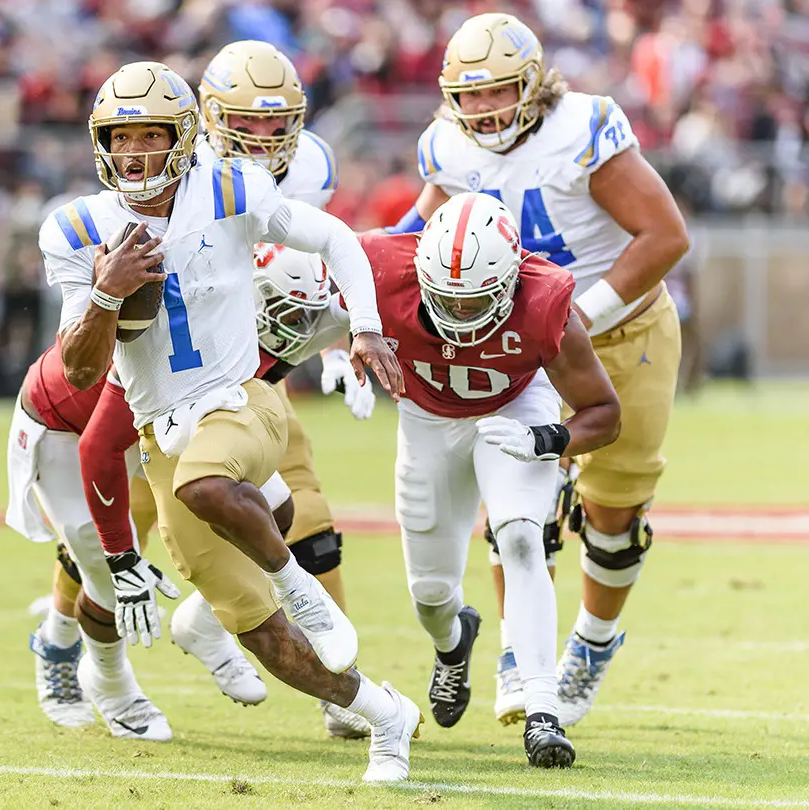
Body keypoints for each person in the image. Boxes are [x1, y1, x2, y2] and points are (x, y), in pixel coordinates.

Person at [42, 60, 419, 782]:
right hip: (162, 432)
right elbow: (84, 370)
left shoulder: (232, 186)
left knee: (206, 485)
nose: (134, 154)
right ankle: (383, 713)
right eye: (120, 139)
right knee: (264, 639)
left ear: (185, 138)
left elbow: (338, 239)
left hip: (243, 400)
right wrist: (105, 296)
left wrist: (363, 329)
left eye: (151, 136)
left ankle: (306, 593)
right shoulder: (77, 227)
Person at [390, 12, 689, 727]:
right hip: (521, 343)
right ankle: (521, 659)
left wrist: (581, 311)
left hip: (623, 332)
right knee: (514, 500)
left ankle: (590, 642)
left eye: (498, 92)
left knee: (612, 513)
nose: (484, 109)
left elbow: (666, 234)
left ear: (533, 85)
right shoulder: (447, 148)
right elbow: (413, 234)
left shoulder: (582, 129)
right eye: (470, 95)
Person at [347, 193, 620, 766]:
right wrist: (337, 347)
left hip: (515, 409)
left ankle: (542, 709)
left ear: (511, 280)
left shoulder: (545, 301)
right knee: (428, 594)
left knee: (521, 537)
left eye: (475, 302)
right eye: (446, 298)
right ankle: (453, 641)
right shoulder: (377, 266)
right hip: (425, 420)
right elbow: (316, 295)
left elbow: (604, 413)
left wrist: (547, 440)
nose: (460, 314)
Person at [6, 340, 171, 740]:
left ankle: (211, 634)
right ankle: (104, 680)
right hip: (60, 418)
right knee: (102, 554)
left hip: (138, 414)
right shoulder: (112, 285)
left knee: (141, 523)